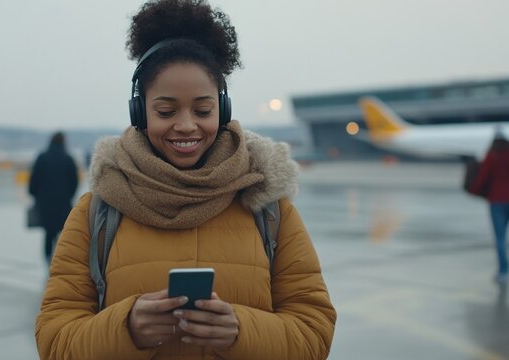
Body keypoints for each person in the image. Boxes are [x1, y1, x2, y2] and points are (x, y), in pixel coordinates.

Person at [35, 1, 336, 358]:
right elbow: (54, 342)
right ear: (140, 113)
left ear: (222, 110)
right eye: (165, 111)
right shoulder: (99, 210)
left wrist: (241, 331)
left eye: (203, 110)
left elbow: (314, 334)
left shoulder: (265, 204)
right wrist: (126, 328)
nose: (186, 125)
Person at [28, 131, 79, 266]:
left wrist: (36, 196)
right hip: (63, 204)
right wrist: (68, 195)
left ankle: (48, 262)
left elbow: (33, 182)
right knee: (63, 234)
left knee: (48, 233)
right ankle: (62, 262)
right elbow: (74, 182)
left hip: (46, 204)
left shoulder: (42, 158)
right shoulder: (68, 159)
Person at [470, 131, 509, 283]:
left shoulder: (492, 156)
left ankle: (503, 271)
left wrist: (473, 190)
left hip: (497, 200)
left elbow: (482, 177)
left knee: (500, 237)